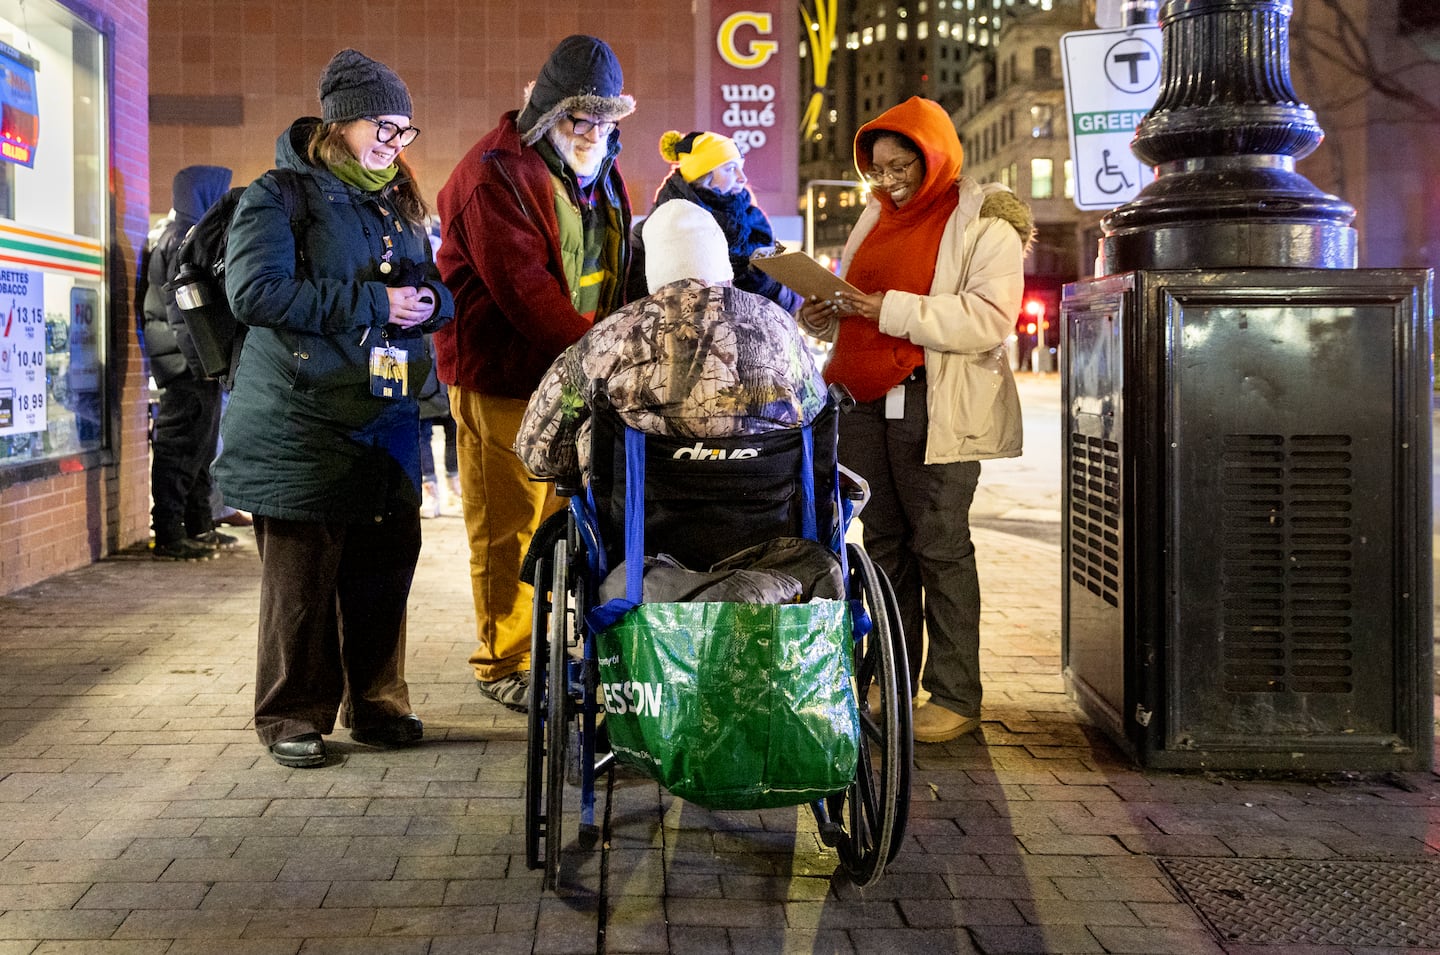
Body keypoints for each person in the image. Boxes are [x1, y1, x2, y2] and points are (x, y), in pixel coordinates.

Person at [213, 49, 455, 768]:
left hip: (382, 412)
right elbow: (254, 294)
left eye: (405, 129)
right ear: (340, 118)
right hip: (300, 416)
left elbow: (432, 285)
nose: (395, 141)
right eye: (384, 124)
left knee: (385, 567)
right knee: (303, 582)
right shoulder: (280, 193)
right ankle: (292, 712)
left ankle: (377, 703)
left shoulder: (396, 195)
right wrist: (376, 302)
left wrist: (429, 303)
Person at [797, 96, 1033, 744]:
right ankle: (894, 680)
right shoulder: (875, 214)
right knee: (884, 547)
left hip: (935, 402)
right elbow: (860, 300)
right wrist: (828, 313)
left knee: (941, 546)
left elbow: (987, 317)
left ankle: (957, 694)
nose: (890, 179)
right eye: (879, 168)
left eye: (903, 165)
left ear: (935, 156)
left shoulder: (985, 218)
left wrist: (883, 307)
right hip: (865, 403)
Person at [435, 34, 636, 712]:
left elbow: (618, 271)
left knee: (568, 521)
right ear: (548, 112)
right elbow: (528, 295)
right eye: (581, 120)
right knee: (508, 527)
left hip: (579, 378)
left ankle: (552, 649)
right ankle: (504, 661)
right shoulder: (493, 175)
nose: (594, 133)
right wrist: (611, 360)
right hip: (505, 380)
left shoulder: (600, 170)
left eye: (605, 122)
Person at [515, 198, 826, 481]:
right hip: (770, 522)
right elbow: (820, 420)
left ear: (655, 276)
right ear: (725, 270)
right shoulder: (777, 325)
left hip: (640, 531)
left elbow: (538, 451)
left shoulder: (612, 334)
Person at [141, 164, 239, 561]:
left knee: (199, 448)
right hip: (186, 365)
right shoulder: (182, 239)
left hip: (194, 362)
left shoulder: (189, 234)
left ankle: (200, 524)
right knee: (179, 449)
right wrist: (206, 364)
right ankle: (168, 532)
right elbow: (183, 312)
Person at [628, 130, 801, 312]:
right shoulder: (656, 228)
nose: (743, 178)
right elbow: (638, 296)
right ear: (702, 176)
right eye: (730, 169)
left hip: (754, 331)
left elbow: (783, 297)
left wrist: (792, 301)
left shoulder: (754, 220)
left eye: (741, 167)